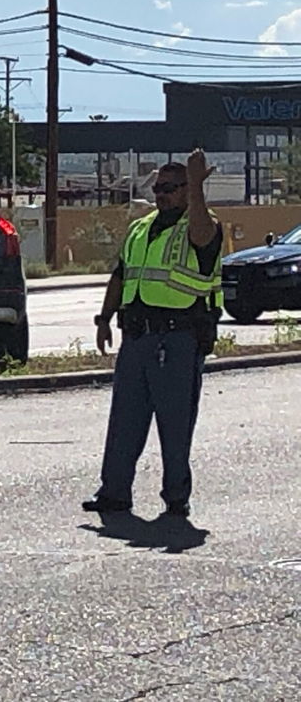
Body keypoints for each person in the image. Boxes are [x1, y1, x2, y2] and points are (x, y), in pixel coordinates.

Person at [83, 149, 223, 518]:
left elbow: (202, 232)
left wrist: (196, 187)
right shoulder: (140, 227)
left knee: (175, 426)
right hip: (137, 338)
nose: (162, 194)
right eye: (159, 187)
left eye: (171, 187)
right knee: (125, 420)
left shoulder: (201, 226)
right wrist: (103, 318)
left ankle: (176, 498)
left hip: (177, 339)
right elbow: (121, 274)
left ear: (187, 190)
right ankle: (114, 492)